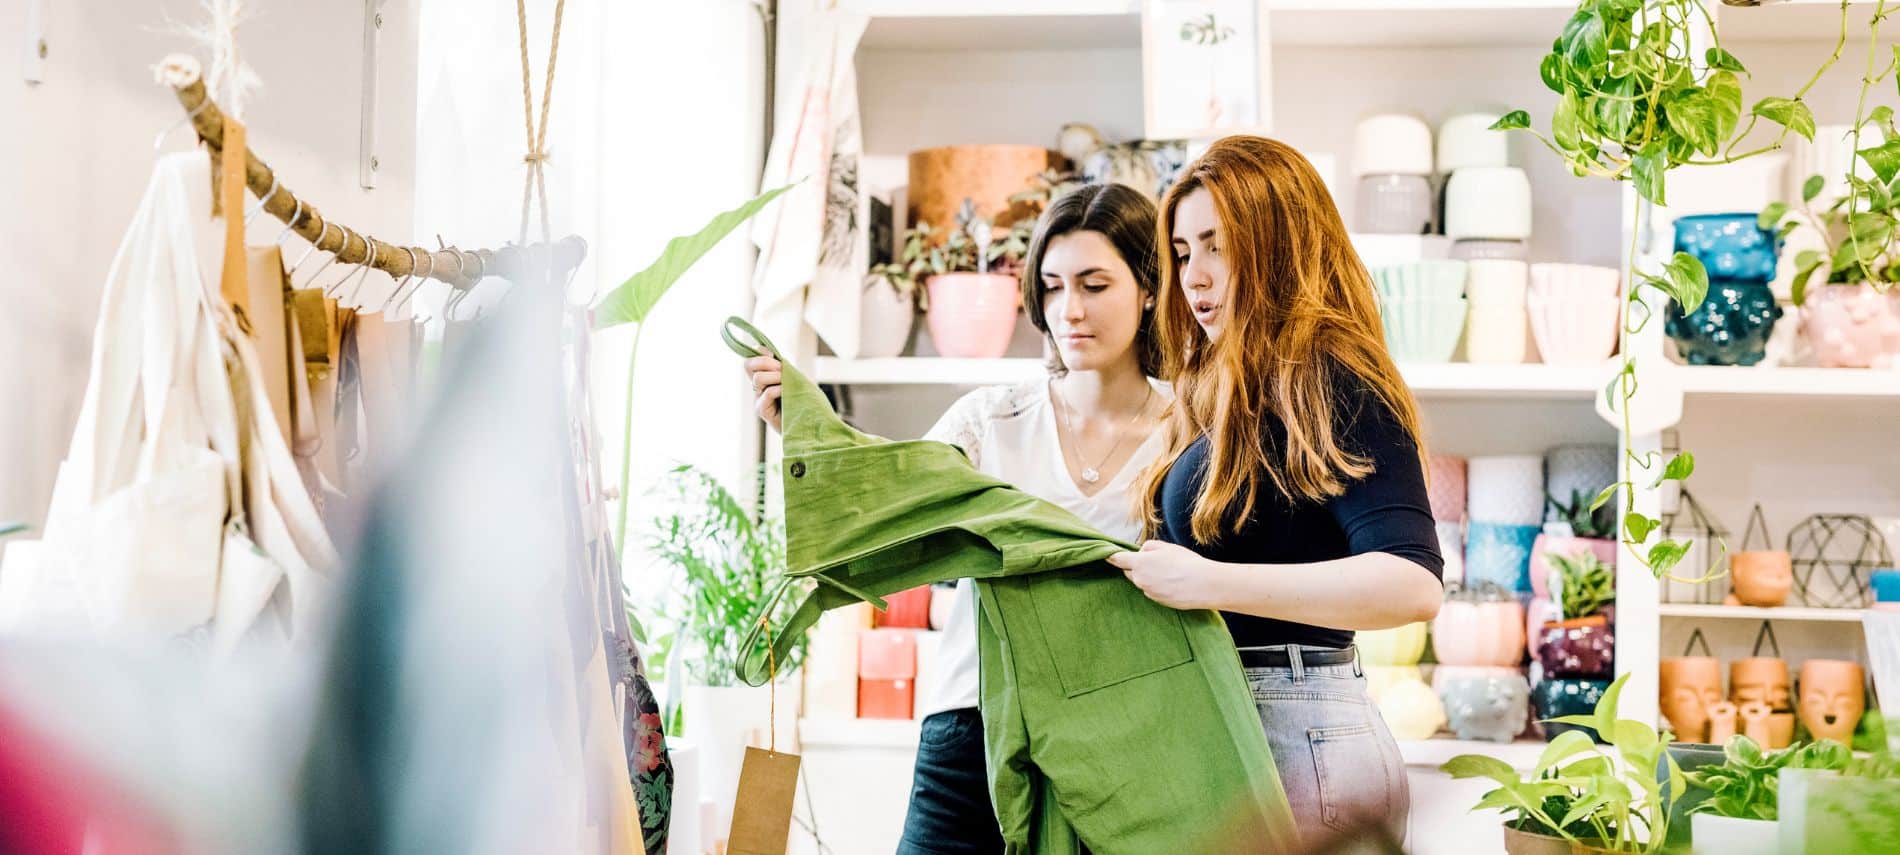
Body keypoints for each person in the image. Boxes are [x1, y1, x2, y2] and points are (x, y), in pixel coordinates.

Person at [744, 182, 1171, 855]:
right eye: (1054, 287)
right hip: (970, 721)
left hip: (1113, 735)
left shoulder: (1192, 433)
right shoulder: (991, 418)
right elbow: (893, 492)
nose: (1070, 310)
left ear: (1150, 288)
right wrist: (807, 431)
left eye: (1094, 284)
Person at [1106, 135, 1445, 845]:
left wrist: (1211, 581)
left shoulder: (1330, 374)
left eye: (1217, 246)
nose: (1194, 276)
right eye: (1183, 250)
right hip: (1249, 723)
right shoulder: (1228, 391)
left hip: (1303, 730)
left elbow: (1411, 583)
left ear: (1279, 242)